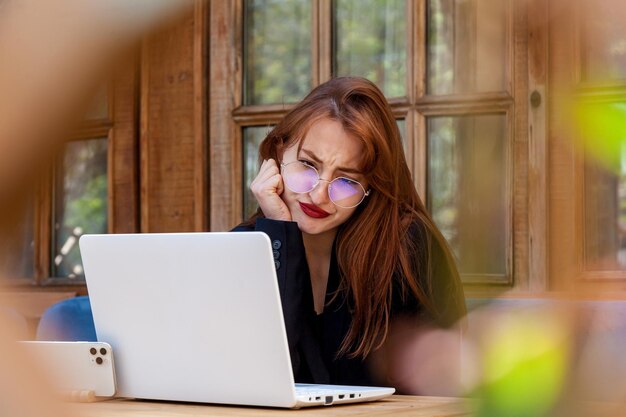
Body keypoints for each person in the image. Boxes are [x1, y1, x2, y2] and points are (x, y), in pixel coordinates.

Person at [233, 76, 466, 393]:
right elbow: (256, 379)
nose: (319, 195)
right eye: (307, 165)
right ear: (277, 153)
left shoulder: (408, 245)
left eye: (346, 180)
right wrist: (280, 235)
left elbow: (450, 388)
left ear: (372, 187)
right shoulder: (245, 245)